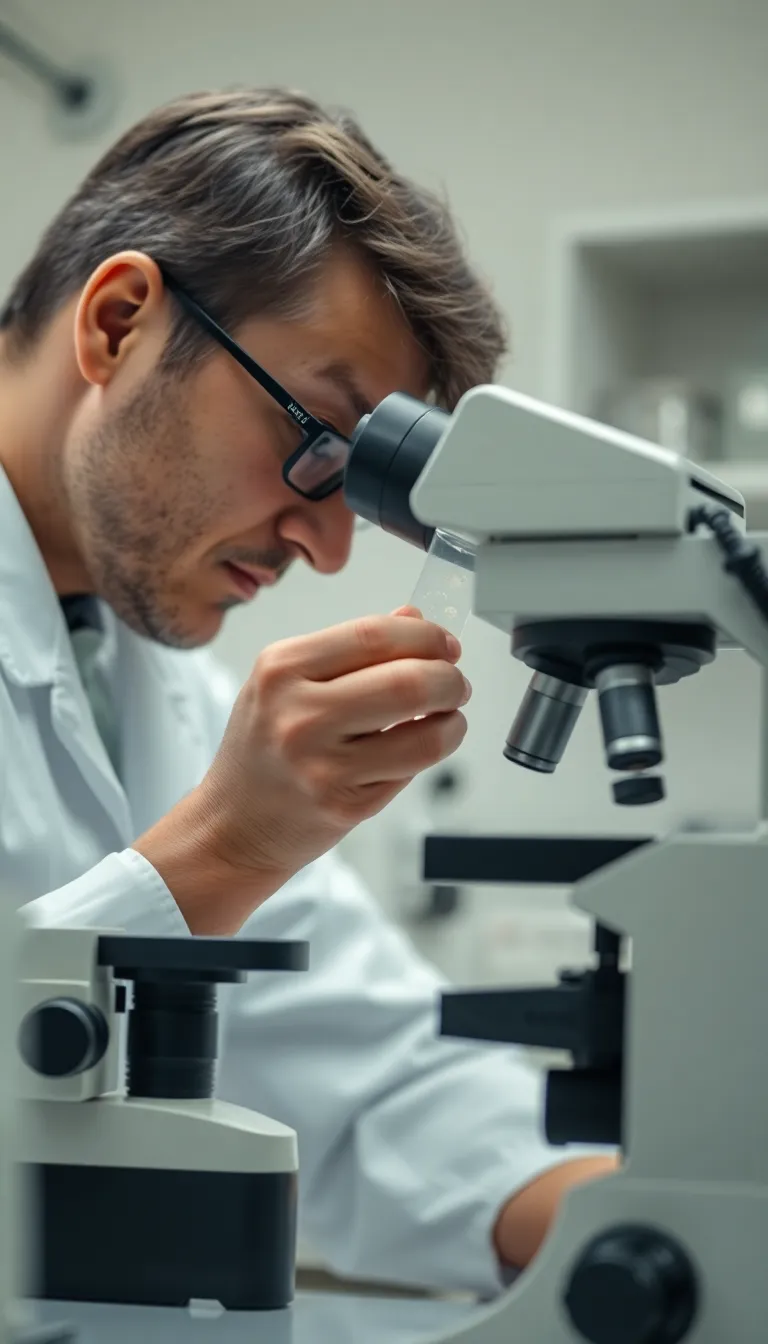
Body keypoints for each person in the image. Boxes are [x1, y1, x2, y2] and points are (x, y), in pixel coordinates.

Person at [0, 87, 614, 1296]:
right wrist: (218, 855)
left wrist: (653, 1218)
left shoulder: (161, 689)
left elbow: (375, 1080)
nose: (327, 549)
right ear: (120, 324)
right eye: (320, 440)